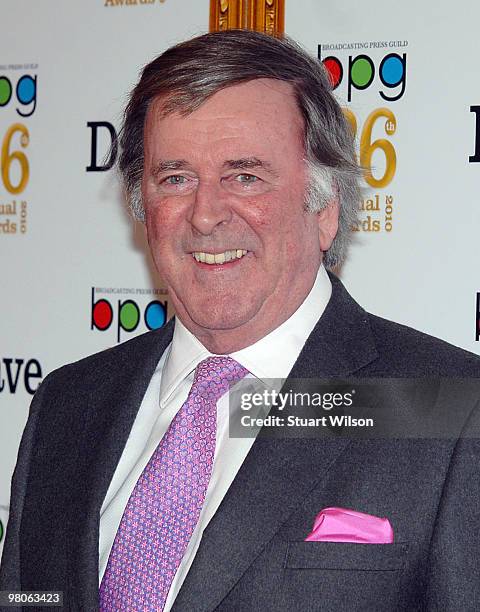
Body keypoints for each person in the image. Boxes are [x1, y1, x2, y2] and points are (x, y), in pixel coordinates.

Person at [1, 29, 480, 612]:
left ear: (325, 209)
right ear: (141, 205)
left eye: (244, 176)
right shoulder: (68, 404)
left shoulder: (449, 410)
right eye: (175, 178)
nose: (204, 215)